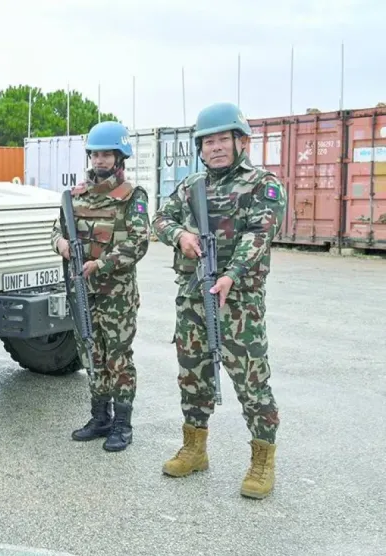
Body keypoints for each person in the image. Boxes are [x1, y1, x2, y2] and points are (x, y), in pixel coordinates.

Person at [152, 102, 285, 499]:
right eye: (207, 141)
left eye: (222, 139)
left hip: (238, 303)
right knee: (192, 375)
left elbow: (259, 234)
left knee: (252, 382)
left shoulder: (263, 184)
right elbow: (160, 218)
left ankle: (262, 461)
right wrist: (181, 236)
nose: (215, 148)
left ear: (240, 141)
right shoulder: (192, 184)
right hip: (193, 298)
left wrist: (231, 275)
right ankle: (195, 449)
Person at [52, 121, 150, 452]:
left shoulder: (131, 197)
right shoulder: (75, 197)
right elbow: (55, 231)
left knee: (118, 356)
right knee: (90, 351)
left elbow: (138, 242)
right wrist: (62, 245)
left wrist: (102, 264)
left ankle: (122, 423)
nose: (100, 160)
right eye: (95, 154)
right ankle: (100, 417)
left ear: (120, 157)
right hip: (83, 291)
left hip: (117, 294)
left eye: (107, 154)